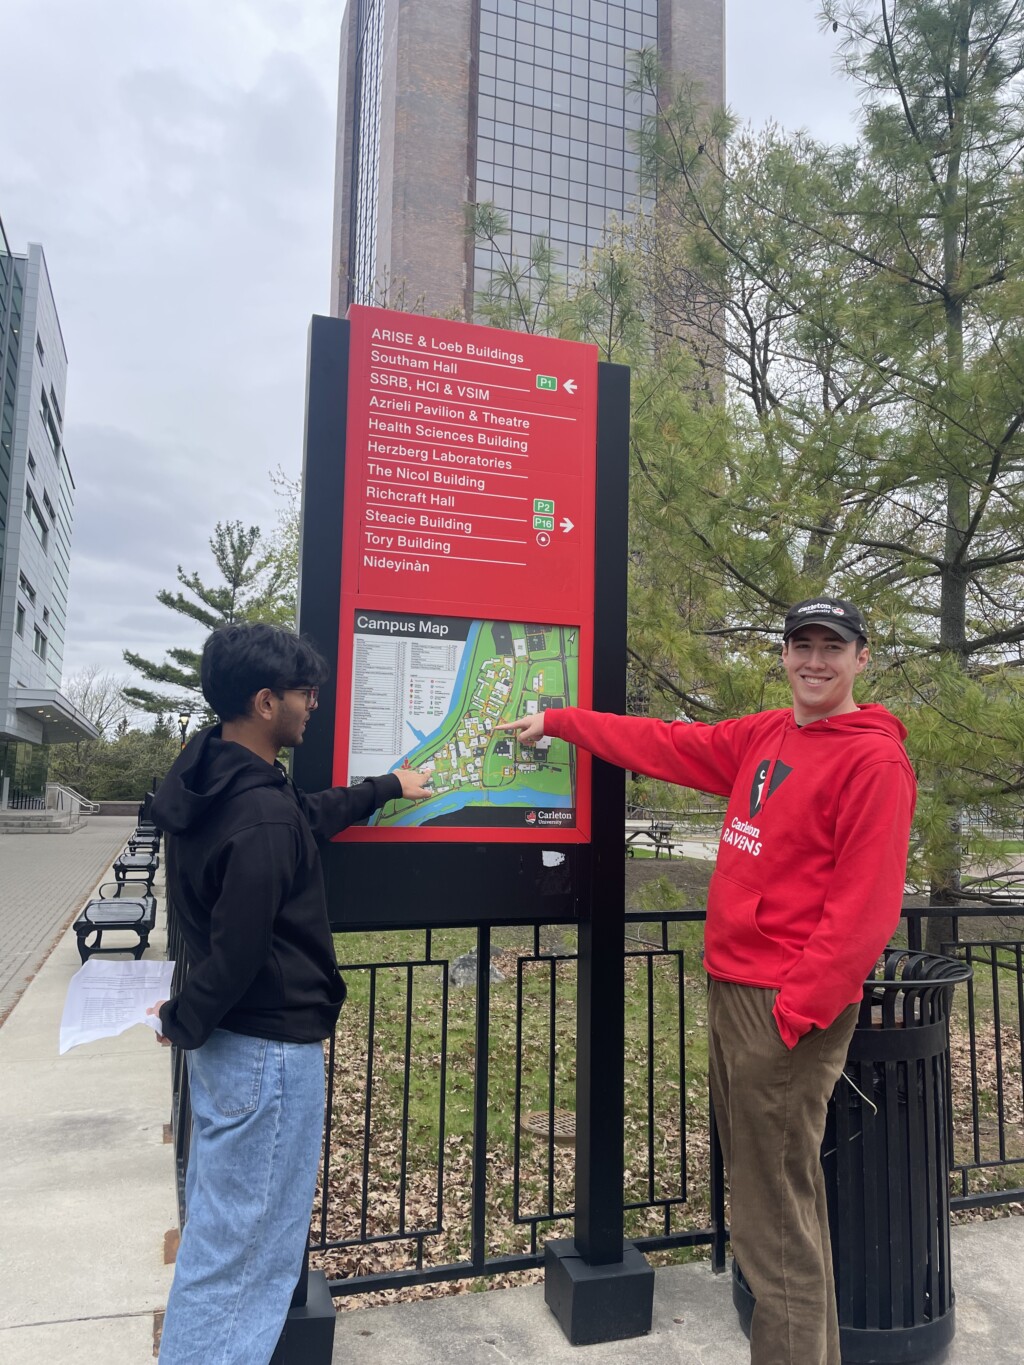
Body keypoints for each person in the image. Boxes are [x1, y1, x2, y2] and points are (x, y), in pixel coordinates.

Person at [499, 597, 916, 1365]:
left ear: (863, 658)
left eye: (833, 646)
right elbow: (663, 741)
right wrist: (561, 722)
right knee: (784, 1211)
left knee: (770, 1228)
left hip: (783, 1011)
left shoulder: (874, 760)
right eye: (802, 645)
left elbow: (864, 911)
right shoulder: (765, 734)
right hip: (738, 989)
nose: (815, 661)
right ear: (785, 654)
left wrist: (796, 1012)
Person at [150, 622, 430, 1365]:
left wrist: (384, 788)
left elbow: (306, 817)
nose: (314, 704)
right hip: (268, 1059)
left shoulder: (215, 780)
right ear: (266, 700)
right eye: (305, 693)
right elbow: (242, 947)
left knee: (219, 1241)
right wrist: (181, 1017)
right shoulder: (261, 812)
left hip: (230, 1053)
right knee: (246, 1262)